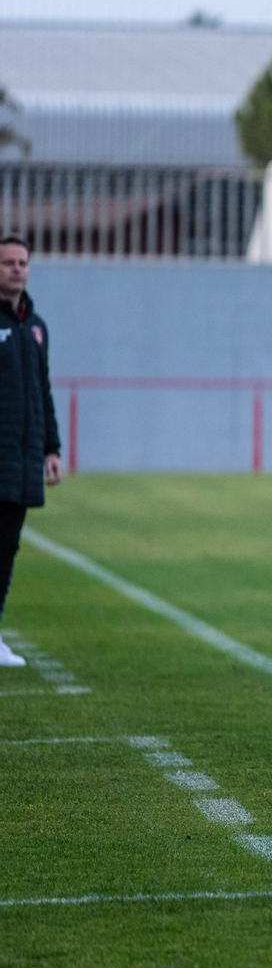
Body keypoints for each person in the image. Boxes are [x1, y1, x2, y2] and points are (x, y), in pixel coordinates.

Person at [0, 235, 62, 669]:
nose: (17, 269)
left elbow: (43, 390)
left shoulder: (35, 325)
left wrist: (51, 448)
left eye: (22, 262)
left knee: (6, 548)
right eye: (8, 263)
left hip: (21, 462)